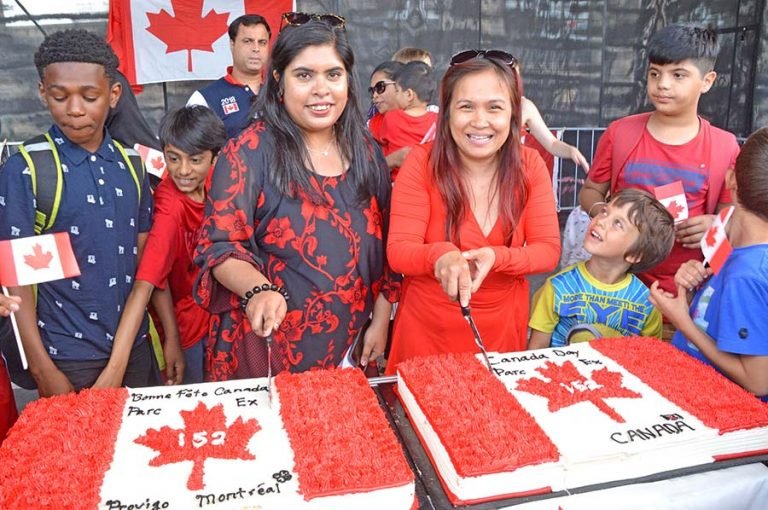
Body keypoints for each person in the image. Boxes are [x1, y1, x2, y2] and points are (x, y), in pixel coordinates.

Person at [194, 13, 398, 380]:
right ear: (278, 81)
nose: (321, 89)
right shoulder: (248, 152)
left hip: (352, 348)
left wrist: (381, 318)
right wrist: (257, 290)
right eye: (304, 75)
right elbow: (220, 246)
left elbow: (389, 240)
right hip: (271, 352)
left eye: (333, 75)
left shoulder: (365, 148)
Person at [385, 49, 560, 373]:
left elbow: (547, 251)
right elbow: (398, 251)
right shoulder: (422, 162)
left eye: (495, 108)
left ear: (513, 114)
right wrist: (440, 255)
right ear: (447, 112)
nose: (480, 122)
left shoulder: (530, 165)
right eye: (466, 107)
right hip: (426, 331)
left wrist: (498, 257)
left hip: (501, 332)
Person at [0, 29, 154, 396]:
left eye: (89, 96)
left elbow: (145, 265)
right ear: (42, 92)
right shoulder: (28, 167)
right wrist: (41, 368)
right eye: (59, 96)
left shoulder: (133, 164)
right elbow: (16, 278)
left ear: (114, 95)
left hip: (134, 350)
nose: (74, 109)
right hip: (65, 359)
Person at [578, 24, 739, 309]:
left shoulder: (724, 147)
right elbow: (591, 191)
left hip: (684, 294)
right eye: (655, 73)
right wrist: (607, 216)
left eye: (678, 75)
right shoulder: (621, 133)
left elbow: (729, 213)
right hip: (613, 292)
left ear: (707, 81)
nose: (662, 84)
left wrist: (716, 227)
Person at [105, 106, 226, 386]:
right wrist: (115, 371)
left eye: (195, 160)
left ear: (215, 159)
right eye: (173, 159)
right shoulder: (170, 208)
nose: (183, 171)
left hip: (214, 315)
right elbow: (147, 282)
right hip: (185, 327)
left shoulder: (217, 183)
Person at [649, 127, 768, 401]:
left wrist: (681, 320)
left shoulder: (748, 274)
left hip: (720, 413)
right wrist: (693, 293)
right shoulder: (738, 250)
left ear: (731, 180)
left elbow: (758, 381)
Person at [528, 189, 674, 349]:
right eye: (605, 212)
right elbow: (535, 351)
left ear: (635, 254)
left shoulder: (646, 304)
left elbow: (651, 358)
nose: (601, 221)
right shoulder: (558, 287)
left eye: (618, 223)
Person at [187, 14, 271, 139]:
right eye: (248, 41)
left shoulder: (282, 92)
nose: (256, 48)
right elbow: (191, 150)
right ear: (232, 44)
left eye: (262, 42)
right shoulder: (204, 99)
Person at [371, 61, 438, 180]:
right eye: (372, 91)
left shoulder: (391, 118)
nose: (374, 95)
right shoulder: (437, 120)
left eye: (381, 87)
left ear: (408, 94)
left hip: (398, 183)